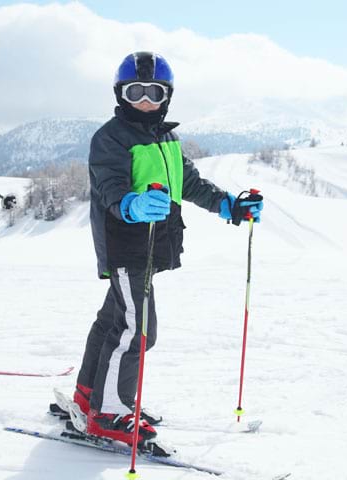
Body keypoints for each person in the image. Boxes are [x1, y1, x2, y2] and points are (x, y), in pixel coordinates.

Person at [73, 52, 263, 445]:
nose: (145, 99)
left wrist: (230, 205)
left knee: (114, 321)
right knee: (137, 329)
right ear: (121, 94)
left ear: (167, 96)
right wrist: (132, 205)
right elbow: (110, 187)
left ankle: (91, 395)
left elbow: (190, 184)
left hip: (153, 246)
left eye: (153, 92)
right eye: (135, 91)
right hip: (126, 243)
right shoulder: (110, 137)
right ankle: (109, 413)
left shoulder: (167, 139)